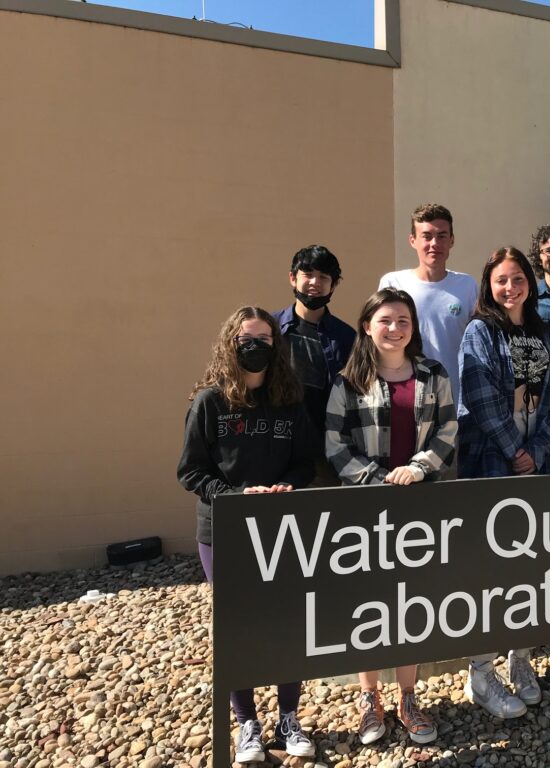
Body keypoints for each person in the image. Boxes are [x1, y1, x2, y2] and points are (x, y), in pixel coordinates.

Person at [177, 307, 317, 763]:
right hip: (224, 531)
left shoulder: (290, 400)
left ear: (277, 344)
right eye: (244, 338)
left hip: (281, 528)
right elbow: (191, 470)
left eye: (263, 338)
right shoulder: (210, 402)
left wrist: (286, 488)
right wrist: (235, 495)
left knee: (286, 623)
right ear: (229, 344)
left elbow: (304, 463)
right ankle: (248, 724)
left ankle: (289, 717)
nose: (254, 345)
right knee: (239, 627)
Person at [324, 288, 457, 745]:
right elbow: (335, 446)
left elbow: (447, 429)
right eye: (385, 320)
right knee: (370, 605)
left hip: (420, 507)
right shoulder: (348, 381)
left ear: (413, 327)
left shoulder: (433, 375)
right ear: (367, 326)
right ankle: (369, 699)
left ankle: (407, 696)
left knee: (411, 603)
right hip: (367, 510)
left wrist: (417, 469)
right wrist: (380, 480)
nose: (394, 328)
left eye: (403, 320)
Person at [458, 246, 550, 717]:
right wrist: (514, 451)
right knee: (490, 572)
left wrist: (538, 450)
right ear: (489, 284)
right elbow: (480, 394)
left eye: (517, 278)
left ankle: (521, 659)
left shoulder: (544, 333)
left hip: (537, 465)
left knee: (530, 571)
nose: (510, 287)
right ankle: (481, 673)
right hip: (491, 461)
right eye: (501, 280)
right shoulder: (479, 331)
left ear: (529, 281)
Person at [273, 245, 356, 484]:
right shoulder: (271, 327)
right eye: (307, 274)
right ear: (292, 278)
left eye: (323, 277)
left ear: (334, 284)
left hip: (324, 447)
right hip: (275, 442)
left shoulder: (346, 337)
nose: (314, 282)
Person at [379, 203, 478, 405]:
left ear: (452, 240)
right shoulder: (393, 283)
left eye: (442, 236)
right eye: (427, 236)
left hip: (456, 400)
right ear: (412, 240)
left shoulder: (467, 286)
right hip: (404, 397)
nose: (434, 243)